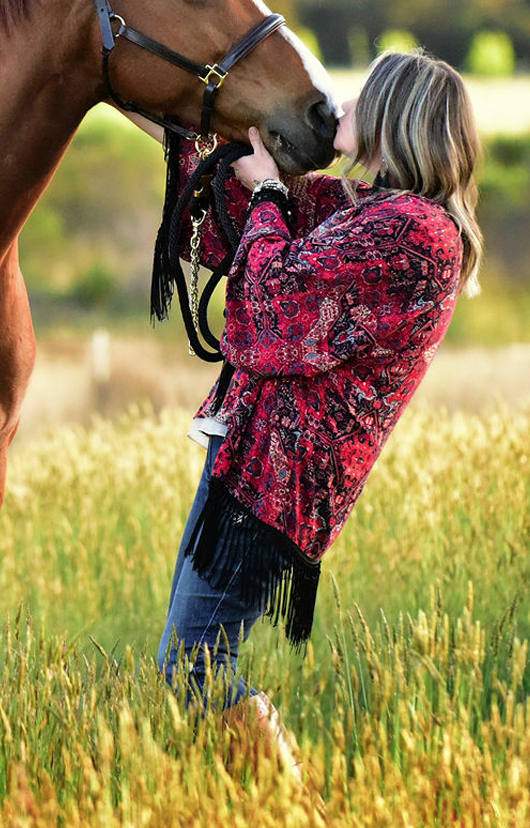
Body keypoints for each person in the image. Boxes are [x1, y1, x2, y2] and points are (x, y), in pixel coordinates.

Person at [155, 48, 482, 762]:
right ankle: (238, 815)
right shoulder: (362, 207)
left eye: (364, 96)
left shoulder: (414, 235)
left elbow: (276, 317)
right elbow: (238, 230)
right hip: (249, 463)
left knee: (193, 666)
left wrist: (271, 195)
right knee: (188, 662)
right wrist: (192, 122)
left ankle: (293, 814)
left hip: (276, 488)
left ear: (395, 117)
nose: (343, 103)